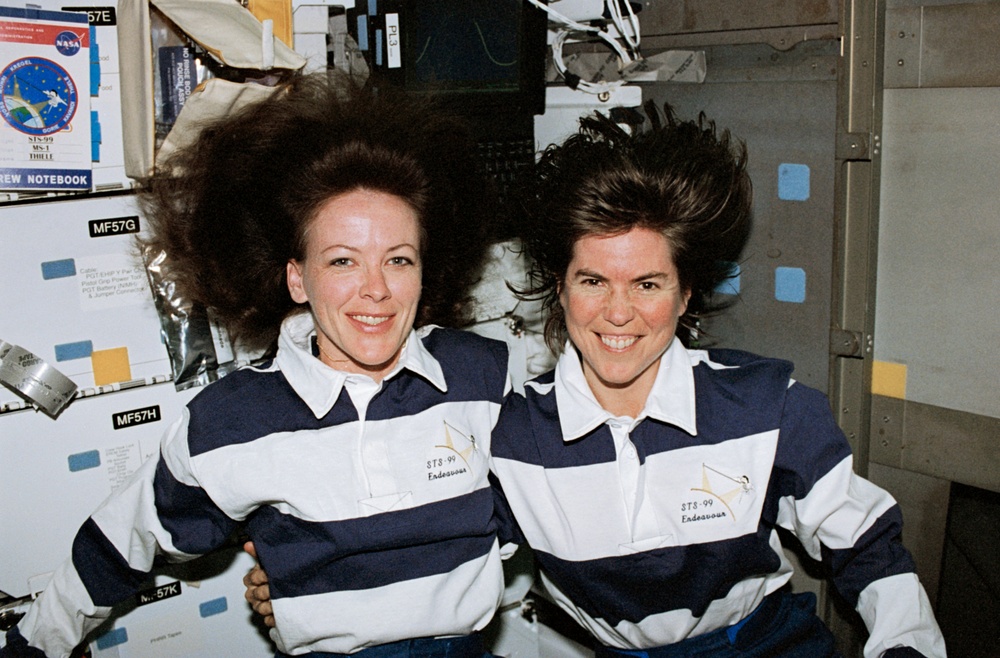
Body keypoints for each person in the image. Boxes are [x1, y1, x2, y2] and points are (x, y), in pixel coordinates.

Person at [243, 101, 947, 657]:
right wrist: (303, 592)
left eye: (647, 282)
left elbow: (870, 547)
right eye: (592, 281)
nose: (618, 313)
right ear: (561, 287)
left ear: (685, 291)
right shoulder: (509, 437)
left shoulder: (767, 405)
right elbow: (424, 559)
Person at [2, 73, 512, 658]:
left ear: (424, 271)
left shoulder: (480, 376)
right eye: (343, 261)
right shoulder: (232, 422)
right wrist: (31, 647)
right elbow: (121, 541)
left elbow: (548, 501)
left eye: (398, 260)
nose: (376, 289)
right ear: (297, 277)